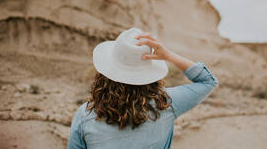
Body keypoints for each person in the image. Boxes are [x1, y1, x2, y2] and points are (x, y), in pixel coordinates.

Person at [67, 27, 218, 149]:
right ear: (149, 72)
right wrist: (168, 55)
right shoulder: (167, 104)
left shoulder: (85, 116)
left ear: (105, 72)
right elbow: (208, 81)